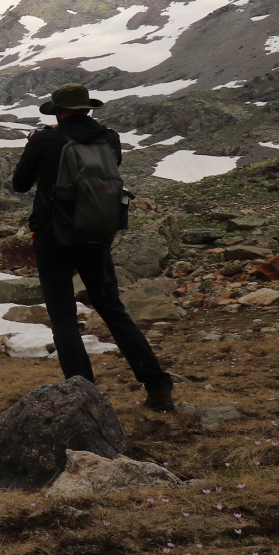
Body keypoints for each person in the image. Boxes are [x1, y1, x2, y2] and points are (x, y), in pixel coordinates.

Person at [11, 83, 175, 411]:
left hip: (53, 237)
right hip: (97, 233)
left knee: (64, 318)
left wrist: (37, 146)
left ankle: (84, 398)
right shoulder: (109, 138)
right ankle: (157, 386)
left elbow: (20, 184)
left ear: (58, 110)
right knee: (113, 310)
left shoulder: (45, 139)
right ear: (88, 108)